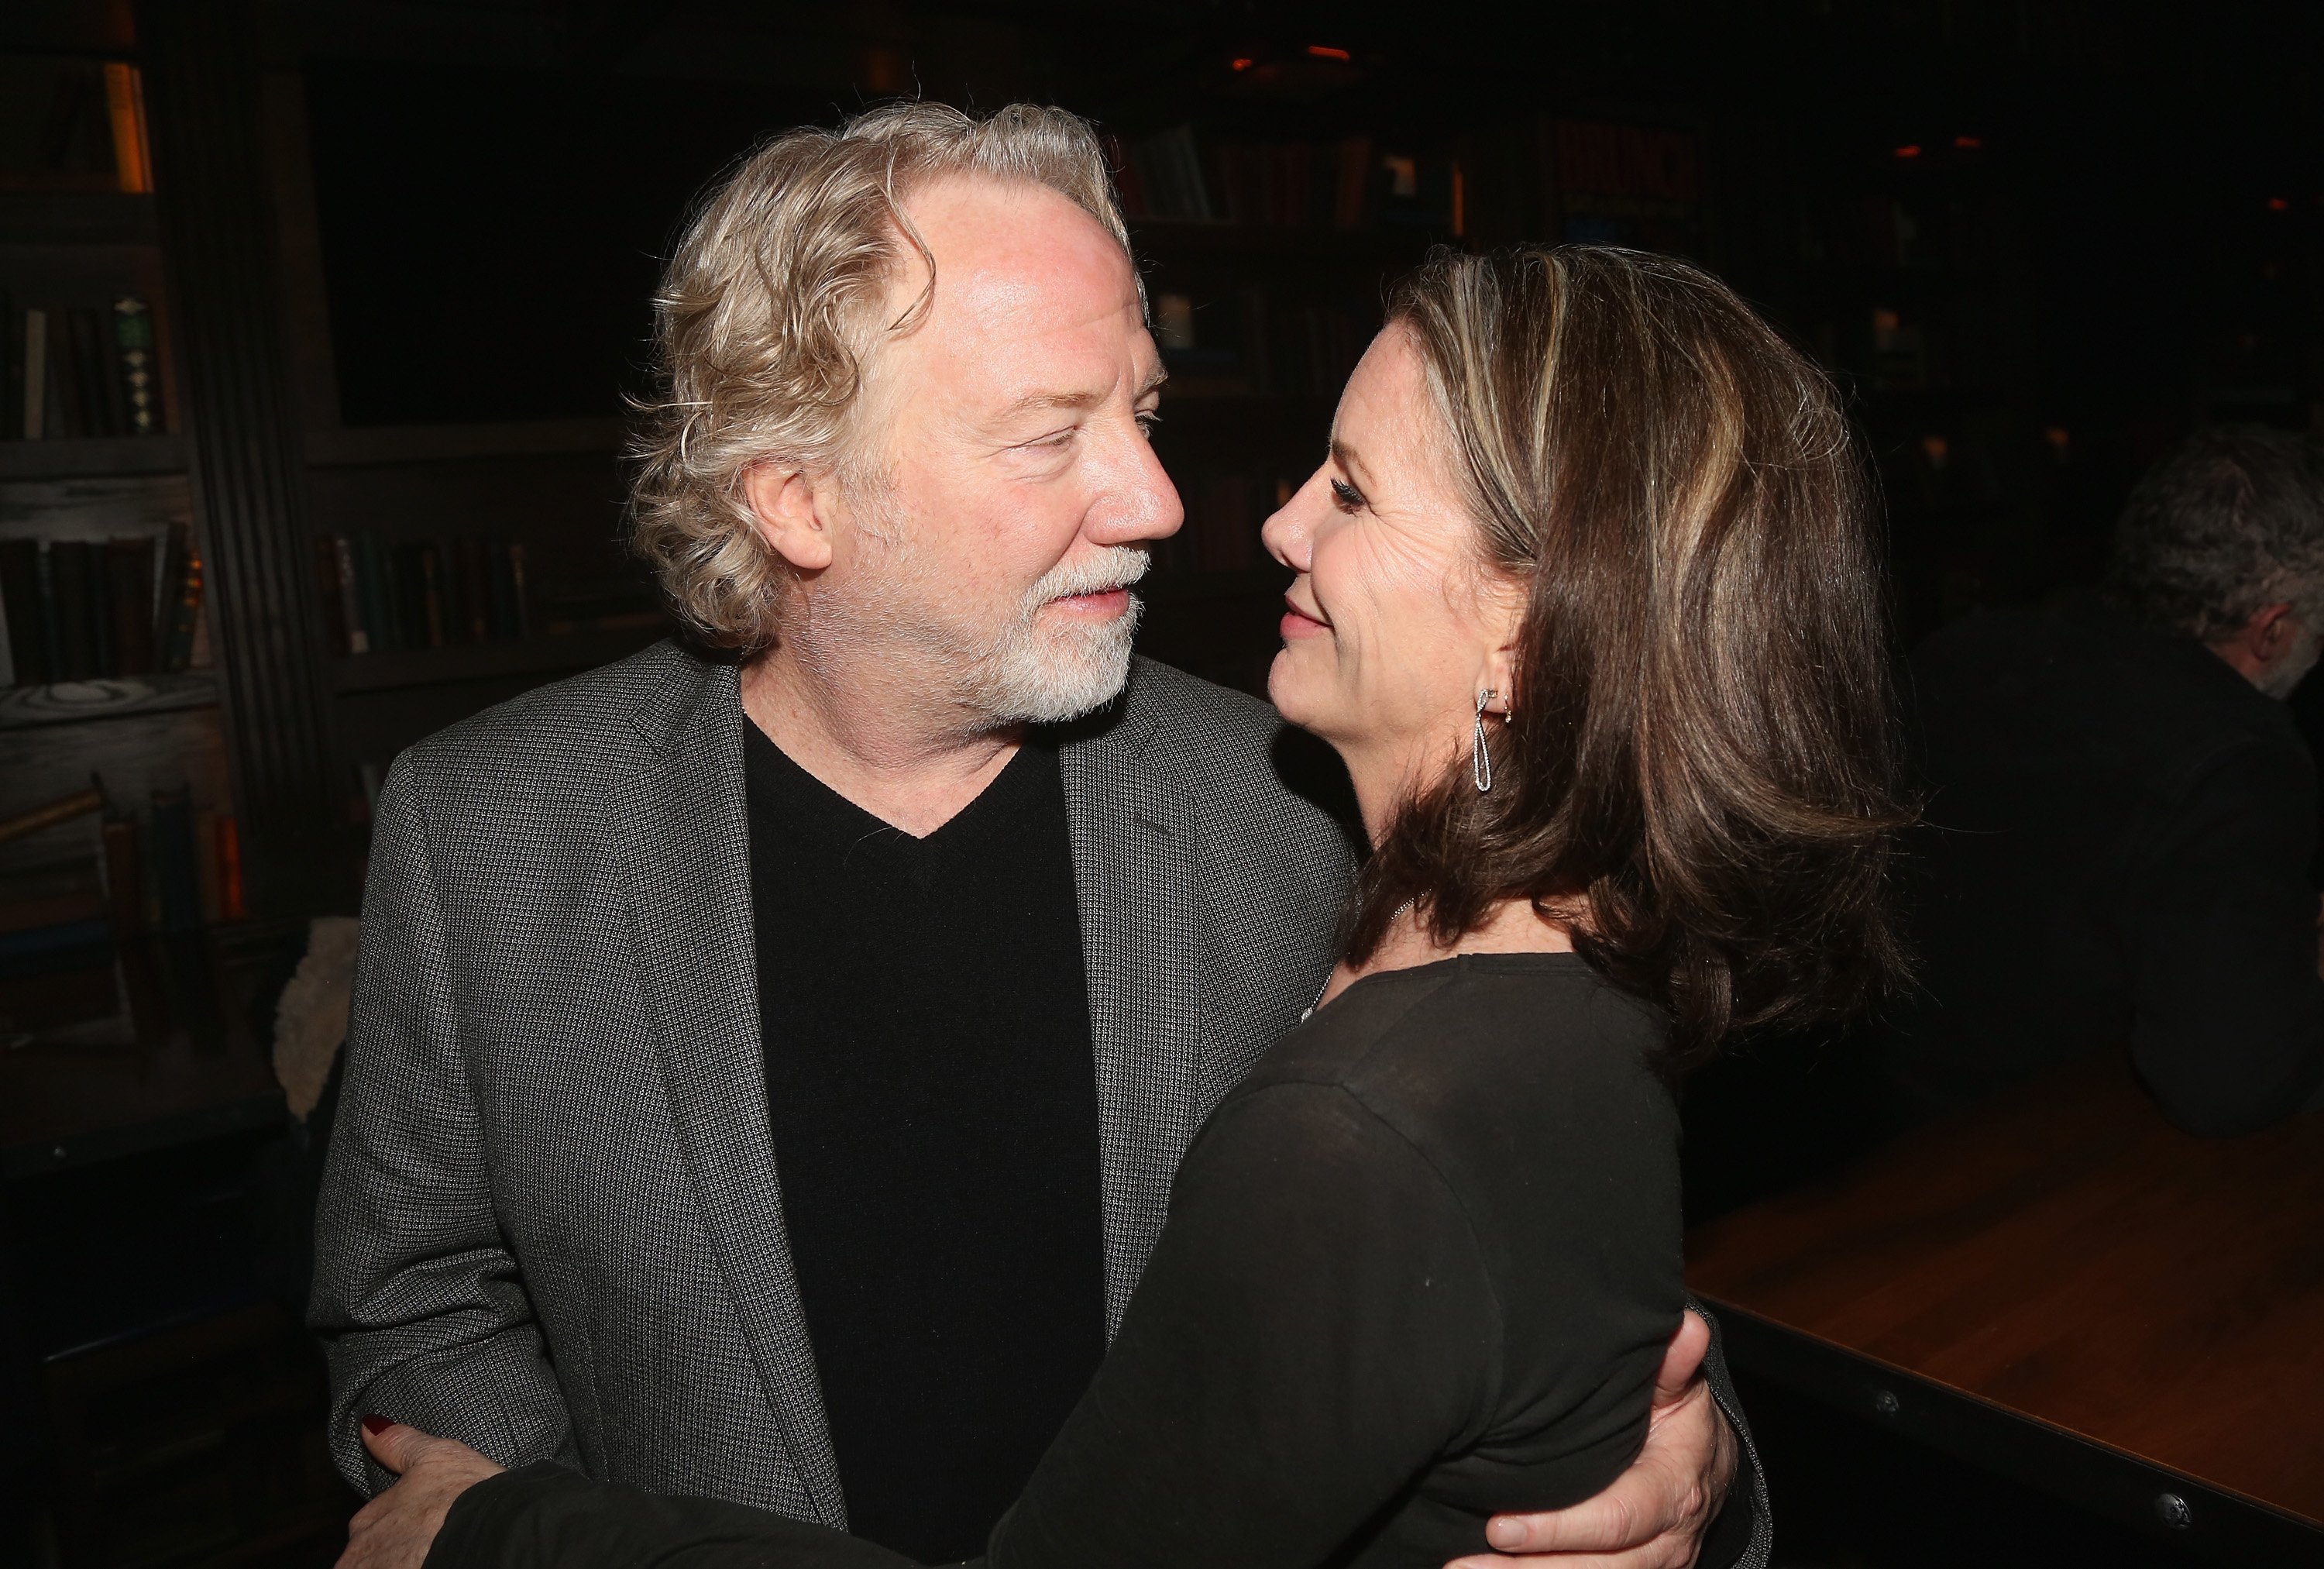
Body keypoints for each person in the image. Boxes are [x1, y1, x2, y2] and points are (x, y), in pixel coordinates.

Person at [309, 105, 1758, 1569]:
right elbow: (417, 1293)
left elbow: (1533, 1230)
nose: (1159, 501)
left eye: (1140, 414)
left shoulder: (1289, 802)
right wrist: (521, 1524)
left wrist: (1683, 1479)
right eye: (1047, 434)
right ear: (799, 498)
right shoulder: (487, 832)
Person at [1880, 425, 2324, 1135]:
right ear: (2271, 629)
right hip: (2041, 1168)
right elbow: (2230, 1084)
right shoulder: (2236, 759)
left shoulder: (1965, 651)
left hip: (1839, 1125)